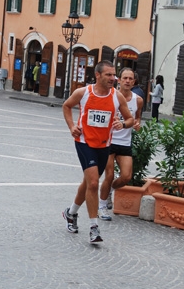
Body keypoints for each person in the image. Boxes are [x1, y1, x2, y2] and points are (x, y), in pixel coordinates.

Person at [62, 60, 134, 243]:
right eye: (109, 75)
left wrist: (122, 124)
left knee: (88, 184)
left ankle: (71, 213)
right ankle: (94, 227)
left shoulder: (116, 96)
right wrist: (71, 126)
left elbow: (130, 119)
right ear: (98, 75)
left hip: (104, 146)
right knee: (94, 183)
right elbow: (66, 106)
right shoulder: (83, 93)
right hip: (84, 142)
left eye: (114, 75)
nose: (113, 78)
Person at [98, 68, 143, 220]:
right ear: (119, 79)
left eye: (130, 79)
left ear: (134, 81)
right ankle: (102, 207)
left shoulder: (138, 100)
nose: (127, 81)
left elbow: (137, 118)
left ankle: (110, 190)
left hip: (125, 141)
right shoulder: (111, 96)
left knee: (126, 177)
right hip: (109, 141)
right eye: (125, 78)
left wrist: (137, 125)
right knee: (109, 175)